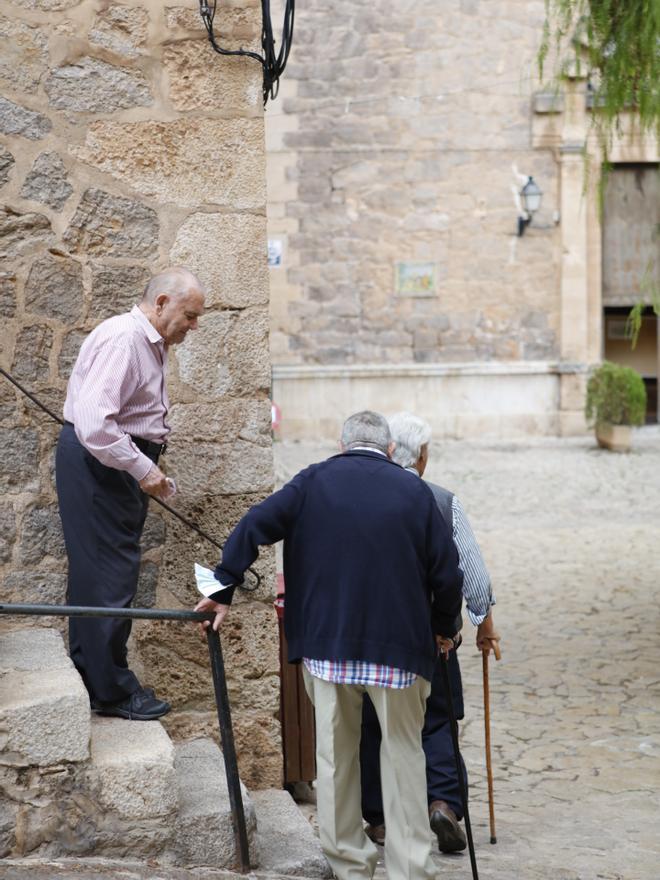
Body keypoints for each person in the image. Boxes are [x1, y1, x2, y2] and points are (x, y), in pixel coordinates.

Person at [195, 410, 464, 880]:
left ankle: (349, 865)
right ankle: (409, 869)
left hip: (327, 649)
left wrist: (222, 589)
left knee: (337, 761)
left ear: (342, 446)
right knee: (403, 756)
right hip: (399, 654)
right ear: (387, 451)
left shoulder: (312, 482)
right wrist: (444, 627)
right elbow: (448, 574)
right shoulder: (415, 493)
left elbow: (255, 522)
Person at [56, 266, 205, 721]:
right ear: (161, 303)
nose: (193, 326)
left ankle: (94, 676)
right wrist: (145, 470)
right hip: (103, 463)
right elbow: (96, 424)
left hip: (111, 463)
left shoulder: (146, 341)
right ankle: (113, 691)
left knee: (102, 572)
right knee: (110, 575)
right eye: (190, 315)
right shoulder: (125, 339)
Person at [360, 412, 501, 854]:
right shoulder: (440, 500)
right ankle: (443, 804)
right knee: (436, 719)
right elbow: (472, 576)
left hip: (370, 635)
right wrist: (484, 626)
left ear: (387, 450)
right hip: (432, 636)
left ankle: (380, 819)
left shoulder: (361, 498)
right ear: (421, 456)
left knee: (373, 725)